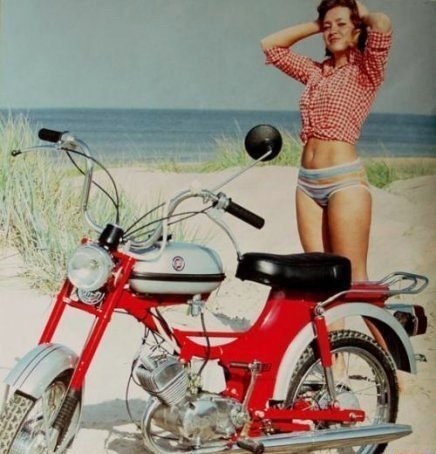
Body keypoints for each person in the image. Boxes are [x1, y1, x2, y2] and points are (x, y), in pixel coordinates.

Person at [260, 0, 393, 357]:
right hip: (307, 183)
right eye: (327, 25)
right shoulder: (316, 72)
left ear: (357, 29)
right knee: (322, 280)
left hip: (344, 182)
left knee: (357, 280)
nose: (333, 30)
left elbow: (382, 22)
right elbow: (270, 46)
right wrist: (320, 24)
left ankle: (393, 364)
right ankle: (338, 365)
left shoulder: (366, 71)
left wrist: (356, 13)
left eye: (341, 24)